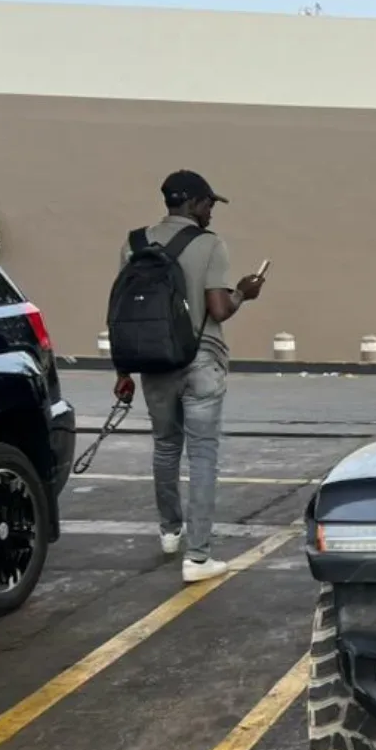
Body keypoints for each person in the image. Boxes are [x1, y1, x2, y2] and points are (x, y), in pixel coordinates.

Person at [112, 171, 265, 583]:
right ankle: (198, 558)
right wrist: (244, 293)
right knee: (202, 456)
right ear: (194, 203)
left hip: (153, 362)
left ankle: (169, 531)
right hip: (201, 362)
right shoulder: (209, 245)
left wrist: (123, 370)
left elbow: (126, 309)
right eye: (209, 204)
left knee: (165, 447)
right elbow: (218, 309)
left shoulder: (134, 243)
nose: (211, 211)